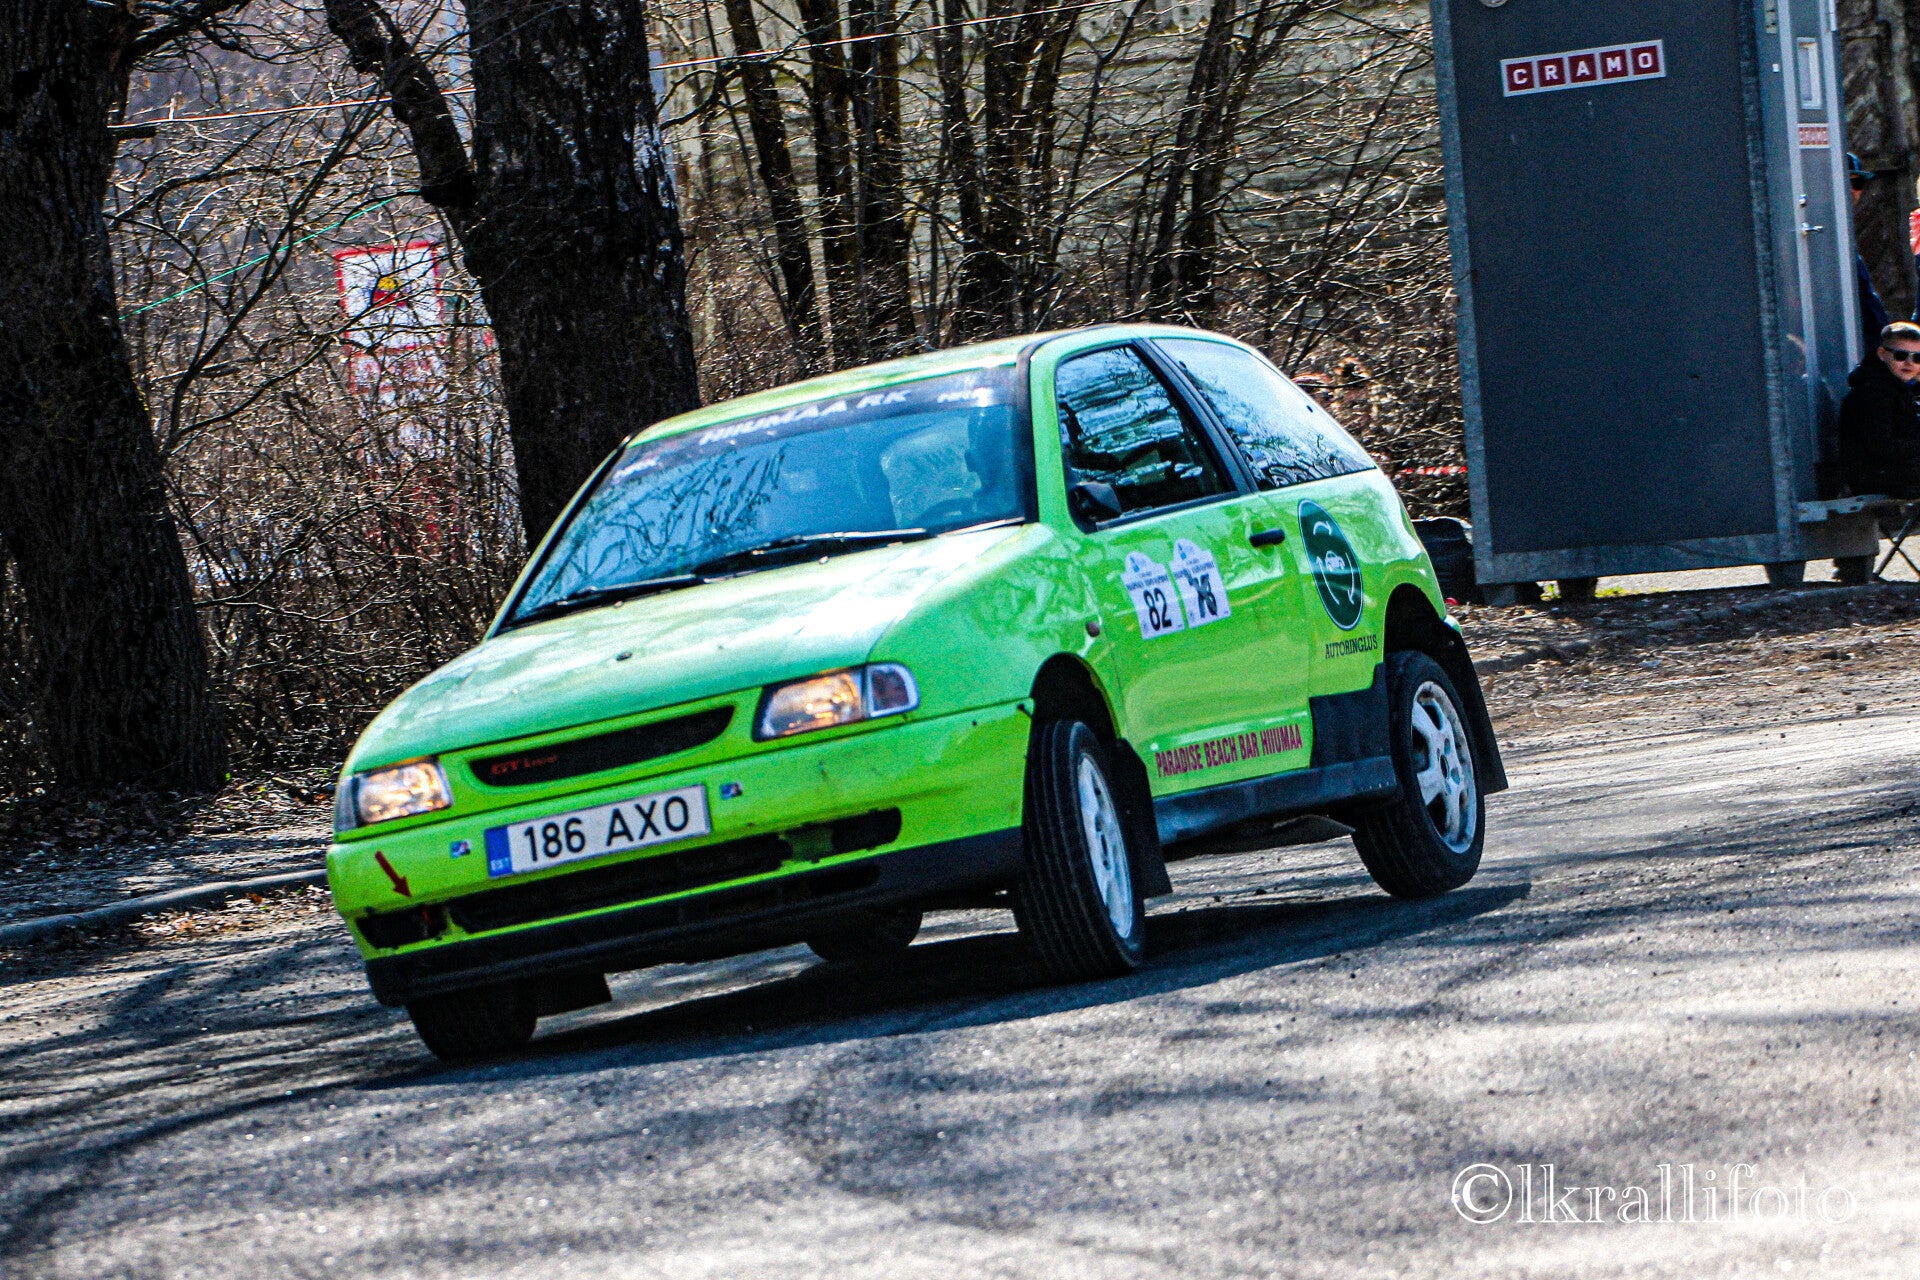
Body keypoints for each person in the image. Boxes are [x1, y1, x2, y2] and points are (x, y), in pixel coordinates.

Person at [1837, 321, 1920, 499]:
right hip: (1876, 476)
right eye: (1900, 355)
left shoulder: (1896, 389)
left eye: (1917, 358)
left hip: (1892, 473)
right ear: (1882, 354)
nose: (1909, 362)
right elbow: (1879, 447)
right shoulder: (1874, 393)